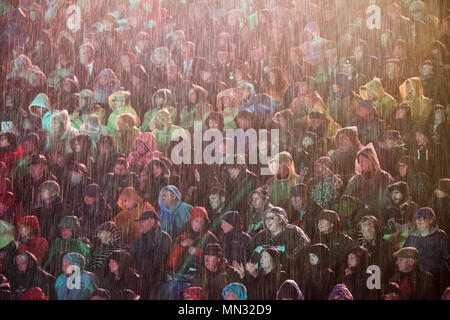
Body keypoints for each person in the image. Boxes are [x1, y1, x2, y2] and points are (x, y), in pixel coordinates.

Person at [249, 206, 311, 274]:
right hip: (265, 278)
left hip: (289, 274)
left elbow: (304, 249)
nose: (267, 221)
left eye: (271, 218)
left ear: (280, 219)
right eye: (266, 219)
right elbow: (249, 252)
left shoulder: (293, 231)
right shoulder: (260, 236)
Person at [403, 207, 450, 296]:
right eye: (417, 218)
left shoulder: (440, 236)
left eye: (423, 218)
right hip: (417, 279)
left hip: (437, 279)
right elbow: (404, 257)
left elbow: (447, 257)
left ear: (431, 220)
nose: (419, 221)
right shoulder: (412, 238)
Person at [344, 143, 394, 218]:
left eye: (363, 161)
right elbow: (347, 198)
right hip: (361, 215)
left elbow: (389, 196)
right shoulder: (356, 180)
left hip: (382, 214)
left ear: (371, 160)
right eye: (359, 161)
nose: (361, 164)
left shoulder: (384, 176)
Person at [130, 210, 172, 299]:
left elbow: (159, 261)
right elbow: (132, 256)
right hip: (141, 279)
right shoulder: (139, 240)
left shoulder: (164, 238)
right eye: (140, 222)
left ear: (152, 221)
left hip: (157, 280)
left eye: (143, 221)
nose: (140, 224)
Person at [168, 207, 218, 276]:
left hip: (203, 275)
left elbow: (215, 261)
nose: (198, 224)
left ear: (204, 223)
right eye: (196, 221)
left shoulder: (210, 238)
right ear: (191, 221)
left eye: (201, 222)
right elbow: (171, 263)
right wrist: (181, 246)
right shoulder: (182, 238)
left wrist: (197, 252)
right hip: (182, 275)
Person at [313, 209, 355, 276]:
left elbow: (352, 261)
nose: (320, 223)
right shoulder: (316, 240)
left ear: (332, 224)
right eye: (319, 221)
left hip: (340, 276)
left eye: (323, 221)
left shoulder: (345, 240)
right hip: (321, 277)